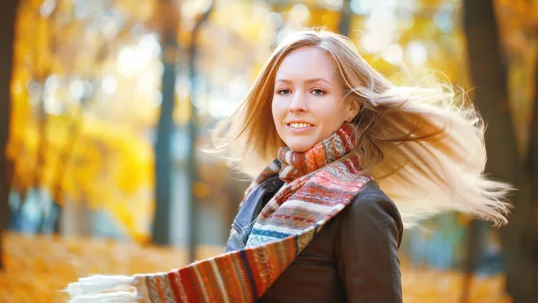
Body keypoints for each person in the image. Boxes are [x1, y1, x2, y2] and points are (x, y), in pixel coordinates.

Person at [66, 29, 511, 303]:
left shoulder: (362, 210)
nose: (296, 105)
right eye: (284, 91)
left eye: (317, 92)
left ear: (351, 106)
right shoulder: (263, 192)